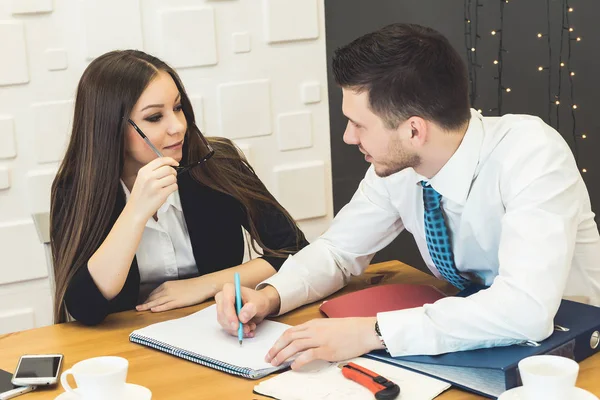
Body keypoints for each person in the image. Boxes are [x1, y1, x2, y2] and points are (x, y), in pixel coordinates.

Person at [215, 23, 600, 370]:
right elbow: (338, 251)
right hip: (468, 342)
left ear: (414, 130)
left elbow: (525, 310)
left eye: (358, 124)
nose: (349, 137)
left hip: (570, 351)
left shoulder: (532, 154)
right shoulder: (398, 168)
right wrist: (269, 296)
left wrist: (374, 331)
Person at [50, 50, 308, 326]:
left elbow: (294, 250)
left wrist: (204, 285)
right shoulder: (76, 187)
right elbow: (84, 307)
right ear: (110, 127)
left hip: (218, 328)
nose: (178, 127)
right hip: (125, 344)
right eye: (154, 117)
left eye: (177, 108)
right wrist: (136, 213)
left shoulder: (216, 163)